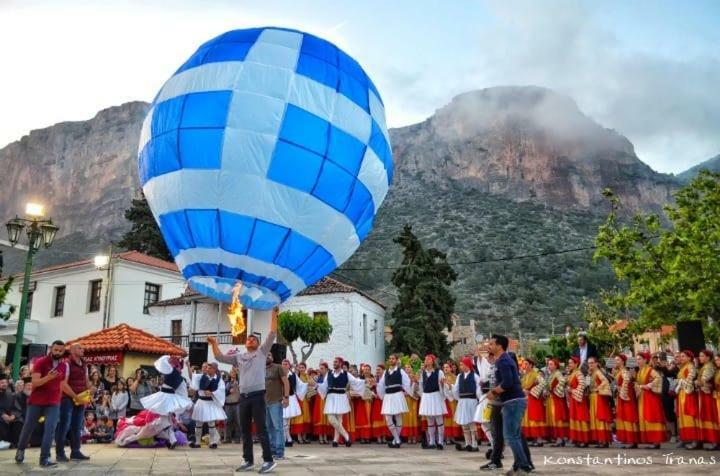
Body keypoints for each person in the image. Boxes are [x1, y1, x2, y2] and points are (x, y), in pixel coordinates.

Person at [208, 308, 278, 474]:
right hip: (244, 398)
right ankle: (248, 460)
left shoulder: (262, 352)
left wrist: (274, 314)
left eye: (254, 339)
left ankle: (268, 460)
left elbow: (272, 333)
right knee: (244, 430)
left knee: (261, 429)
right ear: (245, 344)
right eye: (249, 338)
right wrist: (214, 344)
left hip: (257, 396)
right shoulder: (239, 357)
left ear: (258, 343)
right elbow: (219, 358)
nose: (251, 339)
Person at [15, 340, 69, 467]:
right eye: (56, 350)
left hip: (53, 402)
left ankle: (44, 458)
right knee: (28, 427)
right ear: (51, 349)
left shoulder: (64, 365)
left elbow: (62, 384)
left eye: (61, 351)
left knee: (50, 429)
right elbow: (35, 383)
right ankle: (20, 450)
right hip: (37, 401)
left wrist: (60, 398)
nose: (58, 352)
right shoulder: (41, 362)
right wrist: (48, 378)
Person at [486, 335, 532, 474]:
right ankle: (519, 465)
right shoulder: (502, 360)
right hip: (512, 401)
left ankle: (523, 466)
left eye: (492, 344)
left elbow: (508, 382)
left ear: (499, 346)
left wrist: (493, 392)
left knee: (511, 436)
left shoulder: (503, 361)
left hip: (513, 402)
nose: (489, 346)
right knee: (514, 435)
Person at [140, 355, 193, 449]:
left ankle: (172, 439)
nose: (169, 362)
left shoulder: (173, 373)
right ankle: (171, 439)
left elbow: (177, 389)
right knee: (166, 419)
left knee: (165, 419)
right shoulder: (175, 374)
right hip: (166, 397)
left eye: (171, 361)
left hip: (166, 397)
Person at [54, 342, 91, 463]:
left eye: (82, 347)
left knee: (77, 426)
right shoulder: (66, 363)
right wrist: (76, 397)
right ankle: (60, 453)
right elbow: (62, 384)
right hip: (67, 399)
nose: (83, 349)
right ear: (72, 350)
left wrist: (88, 395)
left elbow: (86, 382)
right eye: (80, 348)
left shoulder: (84, 364)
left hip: (80, 398)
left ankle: (75, 451)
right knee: (64, 425)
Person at [317, 356, 365, 447]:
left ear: (340, 363)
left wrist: (364, 381)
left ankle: (335, 440)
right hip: (331, 397)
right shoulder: (329, 373)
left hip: (341, 396)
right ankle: (347, 436)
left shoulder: (346, 374)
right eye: (334, 362)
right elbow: (324, 385)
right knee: (331, 419)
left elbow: (356, 382)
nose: (334, 363)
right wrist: (317, 385)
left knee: (339, 420)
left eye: (336, 362)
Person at [377, 354, 412, 449]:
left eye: (393, 359)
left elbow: (407, 382)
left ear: (397, 360)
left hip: (397, 395)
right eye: (390, 358)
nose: (391, 360)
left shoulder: (400, 371)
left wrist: (408, 392)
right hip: (388, 396)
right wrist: (382, 395)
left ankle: (395, 441)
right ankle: (397, 439)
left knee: (398, 418)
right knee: (388, 419)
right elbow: (381, 384)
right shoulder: (386, 372)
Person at [634, 352, 667, 449]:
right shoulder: (639, 371)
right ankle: (651, 440)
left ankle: (656, 441)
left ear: (645, 360)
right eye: (637, 359)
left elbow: (658, 378)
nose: (638, 361)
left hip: (650, 397)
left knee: (652, 416)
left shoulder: (650, 369)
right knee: (645, 417)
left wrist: (649, 385)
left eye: (640, 359)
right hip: (642, 397)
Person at [190, 362, 226, 449]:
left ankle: (213, 442)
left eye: (209, 368)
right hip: (201, 402)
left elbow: (221, 390)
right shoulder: (201, 376)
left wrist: (212, 393)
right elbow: (192, 377)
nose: (207, 369)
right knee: (198, 423)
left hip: (210, 403)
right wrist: (188, 366)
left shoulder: (219, 380)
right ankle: (197, 442)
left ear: (214, 369)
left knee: (211, 423)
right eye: (207, 368)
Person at [452, 357, 481, 452]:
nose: (460, 366)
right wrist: (458, 399)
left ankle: (474, 444)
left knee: (472, 423)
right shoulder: (459, 376)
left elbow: (478, 389)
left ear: (467, 365)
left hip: (471, 401)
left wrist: (478, 400)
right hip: (462, 401)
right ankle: (467, 443)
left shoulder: (475, 376)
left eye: (462, 364)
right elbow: (456, 389)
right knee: (464, 423)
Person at [418, 354, 447, 450]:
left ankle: (441, 441)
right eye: (425, 359)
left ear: (433, 361)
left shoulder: (439, 372)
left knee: (439, 419)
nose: (426, 360)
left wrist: (443, 388)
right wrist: (423, 397)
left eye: (428, 359)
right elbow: (421, 386)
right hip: (427, 396)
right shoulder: (423, 373)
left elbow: (442, 385)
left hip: (436, 395)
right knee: (429, 420)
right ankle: (432, 441)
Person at [265, 353, 290, 459]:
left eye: (269, 355)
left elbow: (286, 382)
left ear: (273, 357)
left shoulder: (278, 367)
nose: (267, 357)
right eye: (265, 355)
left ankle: (280, 452)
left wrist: (286, 397)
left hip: (276, 401)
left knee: (278, 427)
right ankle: (272, 450)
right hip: (264, 402)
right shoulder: (260, 369)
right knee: (269, 428)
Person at [675, 350, 700, 449]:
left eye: (683, 356)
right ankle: (685, 438)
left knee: (689, 416)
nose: (681, 358)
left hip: (688, 394)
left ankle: (695, 440)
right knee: (682, 417)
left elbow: (690, 380)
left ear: (689, 358)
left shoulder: (690, 367)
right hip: (682, 394)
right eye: (680, 356)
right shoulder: (682, 367)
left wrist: (680, 382)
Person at [614, 354, 639, 449]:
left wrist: (621, 390)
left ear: (623, 362)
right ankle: (630, 440)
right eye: (615, 360)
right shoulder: (620, 371)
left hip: (626, 397)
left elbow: (627, 380)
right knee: (624, 416)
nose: (616, 362)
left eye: (618, 360)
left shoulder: (624, 371)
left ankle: (632, 440)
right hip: (623, 396)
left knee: (629, 416)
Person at [695, 349, 719, 450]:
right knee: (706, 416)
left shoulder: (709, 367)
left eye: (702, 356)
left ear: (708, 357)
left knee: (710, 417)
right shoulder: (705, 366)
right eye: (700, 356)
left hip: (708, 395)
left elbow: (702, 381)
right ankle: (709, 439)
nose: (700, 358)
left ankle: (715, 440)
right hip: (705, 394)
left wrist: (698, 382)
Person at [587, 356, 612, 448]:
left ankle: (604, 440)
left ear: (596, 363)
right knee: (595, 417)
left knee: (600, 417)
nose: (590, 365)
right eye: (589, 363)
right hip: (593, 397)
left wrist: (598, 388)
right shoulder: (592, 373)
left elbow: (605, 381)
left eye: (592, 363)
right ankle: (600, 439)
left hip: (598, 397)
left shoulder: (598, 372)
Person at [281, 359, 307, 448]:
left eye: (286, 364)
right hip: (281, 399)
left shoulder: (293, 375)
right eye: (283, 364)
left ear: (289, 365)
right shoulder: (278, 375)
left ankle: (286, 438)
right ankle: (288, 438)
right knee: (284, 419)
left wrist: (308, 384)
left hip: (291, 398)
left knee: (287, 420)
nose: (284, 365)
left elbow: (301, 385)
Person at [520, 358, 546, 446]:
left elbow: (543, 383)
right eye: (524, 364)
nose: (525, 366)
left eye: (527, 364)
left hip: (534, 399)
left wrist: (531, 391)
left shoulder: (536, 374)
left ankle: (539, 439)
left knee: (535, 418)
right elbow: (522, 385)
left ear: (531, 365)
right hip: (527, 399)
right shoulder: (525, 375)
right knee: (528, 418)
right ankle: (534, 438)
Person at [566, 356, 590, 447]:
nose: (569, 365)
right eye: (569, 363)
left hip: (578, 399)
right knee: (574, 417)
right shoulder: (572, 373)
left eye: (571, 363)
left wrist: (573, 391)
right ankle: (577, 439)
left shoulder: (579, 373)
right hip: (573, 399)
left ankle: (584, 439)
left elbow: (582, 384)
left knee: (581, 417)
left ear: (576, 364)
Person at [544, 358, 568, 447]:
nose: (549, 366)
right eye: (549, 364)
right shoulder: (551, 374)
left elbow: (562, 381)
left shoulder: (557, 373)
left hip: (556, 399)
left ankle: (560, 438)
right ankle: (557, 437)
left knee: (557, 418)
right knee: (553, 418)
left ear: (556, 365)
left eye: (551, 364)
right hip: (551, 399)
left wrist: (554, 390)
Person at [0, 374, 20, 448]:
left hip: (9, 417)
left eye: (5, 382)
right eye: (2, 383)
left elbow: (16, 408)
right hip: (1, 416)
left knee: (18, 421)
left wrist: (13, 415)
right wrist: (2, 414)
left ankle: (15, 443)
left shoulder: (10, 395)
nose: (4, 384)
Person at [223, 368, 242, 444]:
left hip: (237, 403)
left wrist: (239, 372)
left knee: (238, 422)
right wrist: (228, 391)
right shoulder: (226, 382)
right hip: (228, 404)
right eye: (231, 372)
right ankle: (227, 438)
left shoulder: (239, 382)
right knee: (228, 422)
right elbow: (223, 392)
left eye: (234, 372)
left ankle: (237, 438)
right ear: (229, 374)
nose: (233, 374)